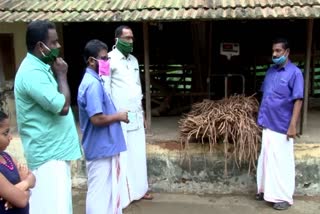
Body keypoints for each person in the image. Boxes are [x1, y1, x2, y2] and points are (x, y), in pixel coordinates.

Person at [14, 20, 82, 214]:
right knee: (54, 209)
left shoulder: (41, 67)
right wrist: (62, 75)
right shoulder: (32, 73)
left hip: (55, 153)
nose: (58, 47)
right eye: (54, 43)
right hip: (48, 157)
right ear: (40, 46)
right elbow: (62, 106)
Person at [101, 25, 152, 209]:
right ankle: (123, 195)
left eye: (132, 38)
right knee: (123, 156)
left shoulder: (134, 60)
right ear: (117, 40)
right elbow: (104, 89)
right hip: (119, 117)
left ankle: (140, 189)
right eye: (127, 38)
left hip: (136, 114)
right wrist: (111, 115)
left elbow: (138, 88)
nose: (131, 41)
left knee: (138, 153)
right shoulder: (106, 61)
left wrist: (143, 113)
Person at [77, 39, 128, 214]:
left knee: (106, 193)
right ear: (92, 61)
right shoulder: (92, 85)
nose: (107, 62)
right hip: (100, 148)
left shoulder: (95, 80)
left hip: (103, 146)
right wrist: (119, 116)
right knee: (99, 194)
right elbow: (96, 119)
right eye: (104, 58)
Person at [256, 38, 304, 210]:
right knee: (267, 159)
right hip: (267, 122)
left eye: (278, 51)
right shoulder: (270, 72)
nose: (274, 54)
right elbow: (266, 95)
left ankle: (283, 197)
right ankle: (265, 191)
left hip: (282, 125)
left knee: (282, 162)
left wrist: (293, 125)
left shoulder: (295, 73)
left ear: (287, 52)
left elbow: (298, 99)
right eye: (273, 51)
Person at [0, 111, 36, 214]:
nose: (10, 137)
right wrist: (27, 191)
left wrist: (23, 185)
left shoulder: (7, 157)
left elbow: (32, 178)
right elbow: (22, 200)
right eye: (5, 133)